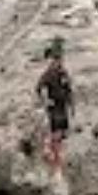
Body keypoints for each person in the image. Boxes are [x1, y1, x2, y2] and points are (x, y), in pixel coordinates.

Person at [36, 42, 74, 173]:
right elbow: (38, 88)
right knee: (56, 133)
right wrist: (45, 101)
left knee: (63, 133)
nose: (59, 63)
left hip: (62, 105)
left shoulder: (63, 72)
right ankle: (55, 160)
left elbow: (69, 89)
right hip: (55, 106)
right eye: (57, 60)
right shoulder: (48, 74)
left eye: (60, 60)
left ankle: (56, 157)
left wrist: (71, 103)